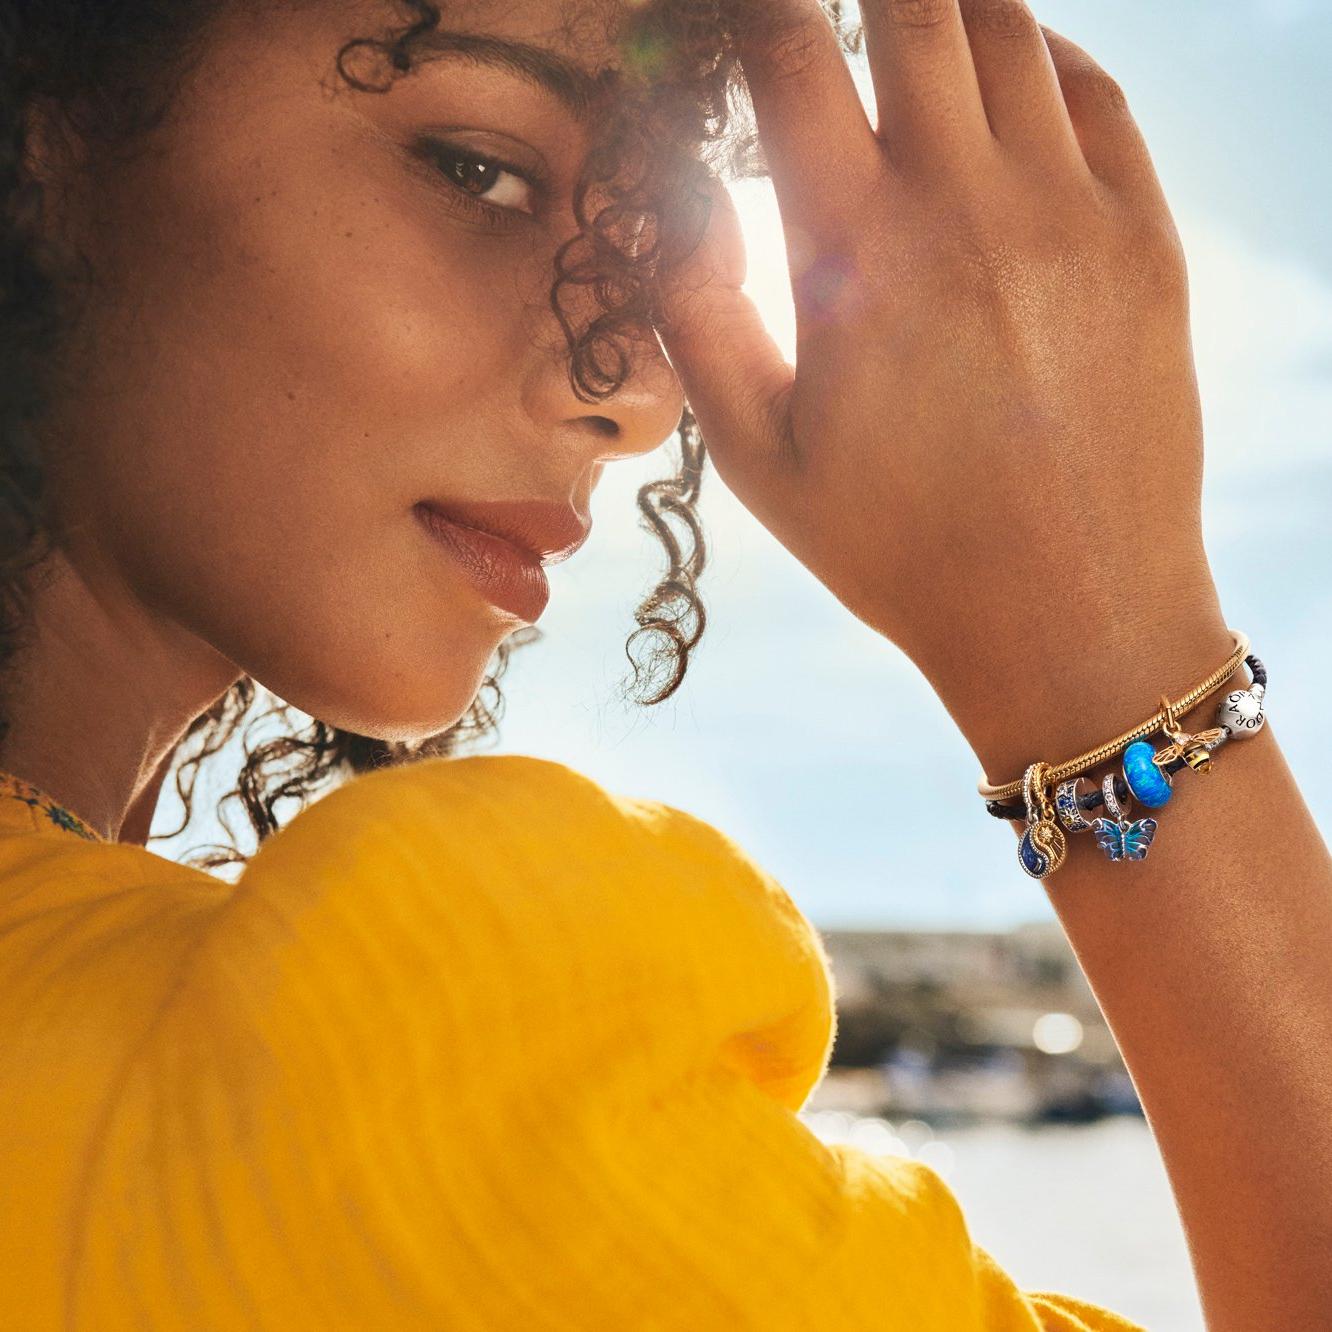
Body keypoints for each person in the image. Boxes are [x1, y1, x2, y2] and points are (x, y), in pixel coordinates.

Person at [0, 0, 1326, 1327]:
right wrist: (1108, 653)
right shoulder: (379, 1084)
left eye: (649, 240)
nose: (632, 387)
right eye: (481, 168)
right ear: (44, 129)